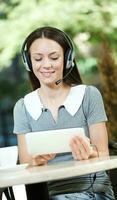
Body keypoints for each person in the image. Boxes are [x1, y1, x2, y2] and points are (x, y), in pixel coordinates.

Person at [13, 26, 115, 200]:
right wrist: (36, 161)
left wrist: (89, 153)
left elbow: (104, 154)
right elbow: (25, 165)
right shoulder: (23, 107)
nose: (46, 65)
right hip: (51, 194)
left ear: (68, 59)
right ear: (28, 62)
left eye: (54, 57)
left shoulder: (88, 95)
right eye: (38, 58)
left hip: (94, 192)